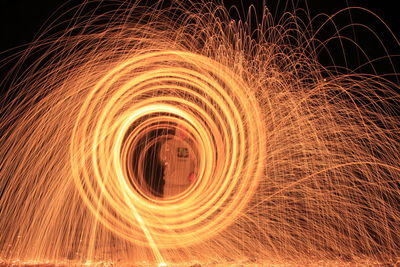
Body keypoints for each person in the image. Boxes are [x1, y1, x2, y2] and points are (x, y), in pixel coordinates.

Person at [159, 126, 197, 198]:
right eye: (181, 128)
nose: (183, 132)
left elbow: (198, 161)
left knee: (187, 209)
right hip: (171, 186)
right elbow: (163, 159)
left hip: (187, 187)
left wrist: (195, 173)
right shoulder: (168, 144)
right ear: (177, 129)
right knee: (169, 208)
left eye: (186, 129)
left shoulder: (192, 146)